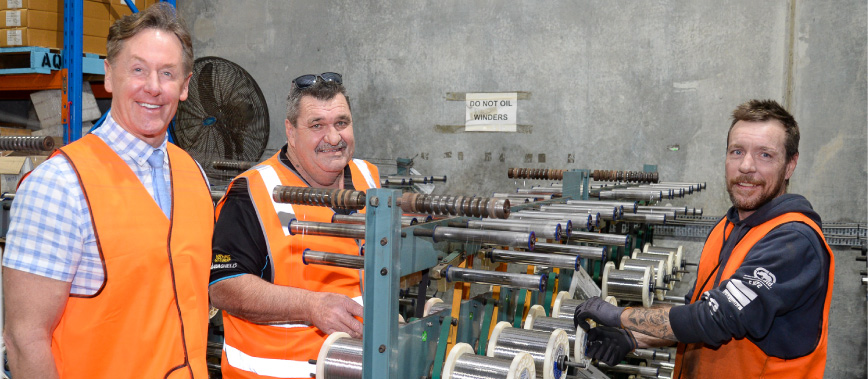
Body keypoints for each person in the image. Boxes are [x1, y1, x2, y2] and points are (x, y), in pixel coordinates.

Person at [1, 4, 213, 378]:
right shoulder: (59, 186)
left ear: (184, 87)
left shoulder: (194, 175)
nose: (153, 86)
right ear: (109, 75)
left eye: (167, 73)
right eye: (138, 69)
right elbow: (24, 338)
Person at [574, 99, 835, 378]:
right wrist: (634, 338)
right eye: (737, 152)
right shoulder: (726, 228)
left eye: (765, 155)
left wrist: (619, 316)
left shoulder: (794, 242)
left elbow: (714, 318)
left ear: (791, 164)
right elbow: (695, 315)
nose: (746, 166)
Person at [208, 72, 380, 378]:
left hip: (357, 367)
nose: (334, 138)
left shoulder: (369, 178)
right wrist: (311, 306)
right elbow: (222, 287)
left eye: (342, 122)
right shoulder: (251, 192)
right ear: (290, 131)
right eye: (317, 126)